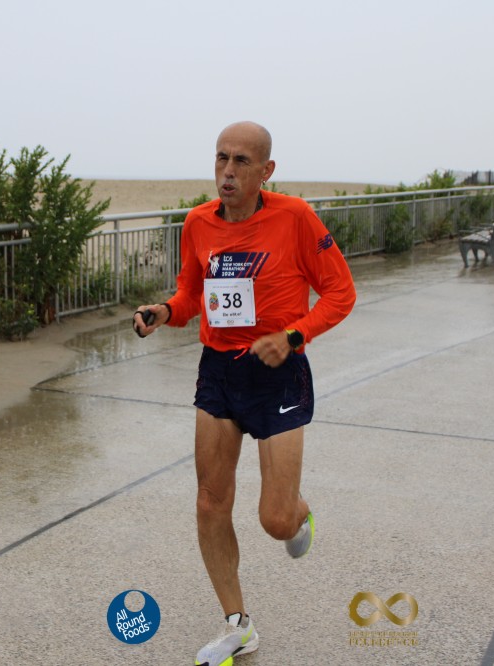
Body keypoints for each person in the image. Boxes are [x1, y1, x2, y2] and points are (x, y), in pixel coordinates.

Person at [133, 121, 356, 665]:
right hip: (219, 371)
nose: (227, 171)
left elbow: (340, 292)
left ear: (266, 171)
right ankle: (238, 626)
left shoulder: (295, 218)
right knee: (210, 501)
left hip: (277, 371)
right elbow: (192, 294)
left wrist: (294, 336)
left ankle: (298, 511)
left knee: (274, 521)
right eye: (221, 158)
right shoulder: (197, 223)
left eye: (241, 162)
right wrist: (165, 311)